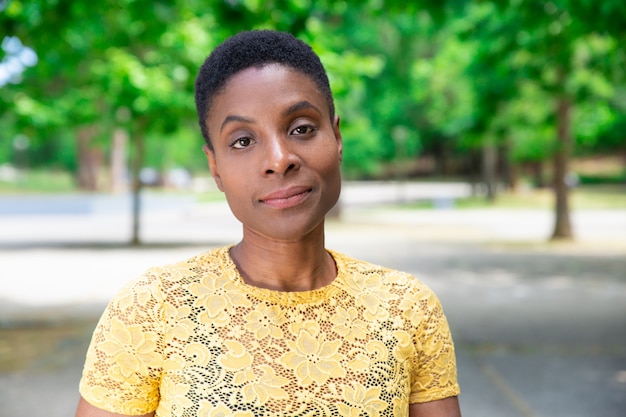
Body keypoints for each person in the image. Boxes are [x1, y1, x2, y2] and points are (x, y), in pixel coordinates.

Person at [75, 30, 461, 417]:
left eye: (302, 128)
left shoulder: (407, 307)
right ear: (215, 168)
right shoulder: (153, 307)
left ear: (337, 138)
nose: (279, 158)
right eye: (243, 140)